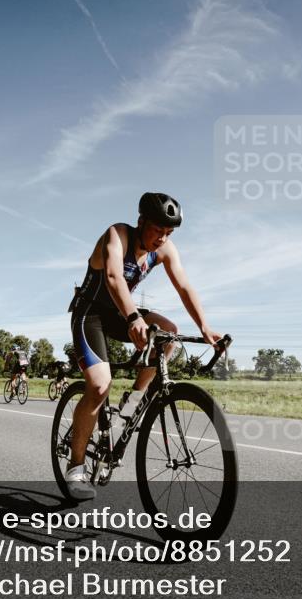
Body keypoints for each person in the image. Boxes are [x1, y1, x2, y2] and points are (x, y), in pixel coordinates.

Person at [65, 192, 222, 499]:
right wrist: (134, 316)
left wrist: (204, 326)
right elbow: (112, 277)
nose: (162, 238)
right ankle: (76, 466)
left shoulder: (164, 248)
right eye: (157, 230)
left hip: (122, 314)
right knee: (99, 386)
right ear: (141, 223)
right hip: (91, 313)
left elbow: (184, 285)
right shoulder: (118, 235)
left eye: (169, 233)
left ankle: (133, 400)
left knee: (169, 333)